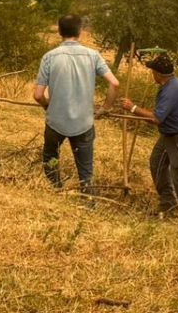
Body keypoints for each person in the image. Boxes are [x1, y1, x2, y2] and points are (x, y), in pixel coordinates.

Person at [33, 14, 119, 196]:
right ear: (80, 31)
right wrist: (106, 108)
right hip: (84, 123)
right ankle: (89, 201)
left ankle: (57, 192)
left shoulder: (49, 57)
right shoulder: (93, 56)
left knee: (50, 159)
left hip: (55, 122)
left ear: (59, 31)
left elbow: (38, 95)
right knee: (86, 173)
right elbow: (114, 83)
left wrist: (49, 107)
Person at [142, 53, 178, 217]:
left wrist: (132, 108)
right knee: (156, 163)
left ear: (158, 74)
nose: (152, 74)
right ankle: (168, 204)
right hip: (169, 134)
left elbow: (156, 118)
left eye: (152, 71)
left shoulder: (172, 90)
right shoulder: (173, 85)